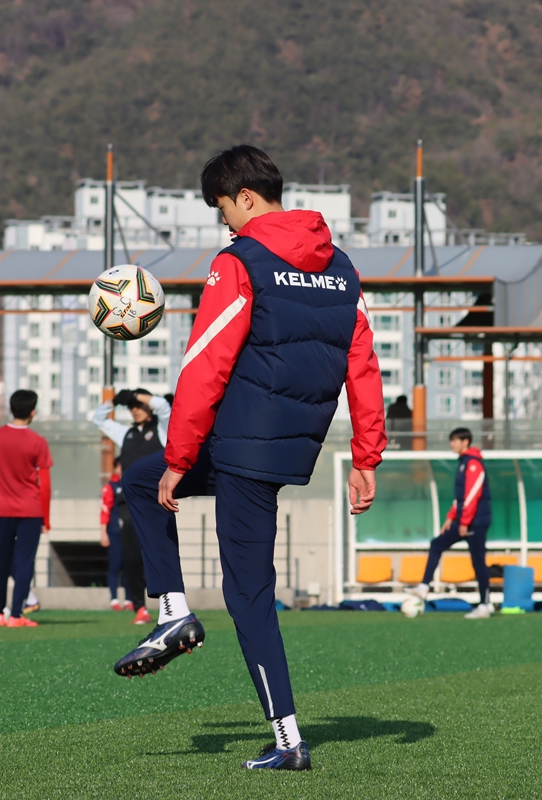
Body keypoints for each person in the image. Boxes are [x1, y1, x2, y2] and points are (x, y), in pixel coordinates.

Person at [115, 145, 386, 770]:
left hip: (241, 445)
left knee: (248, 595)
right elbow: (363, 364)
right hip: (287, 445)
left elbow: (205, 363)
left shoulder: (239, 260)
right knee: (140, 481)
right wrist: (366, 456)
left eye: (222, 209)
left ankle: (289, 742)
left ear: (244, 197)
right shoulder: (340, 267)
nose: (224, 223)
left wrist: (180, 455)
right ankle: (174, 613)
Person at [91, 388, 171, 624]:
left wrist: (137, 395)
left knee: (161, 556)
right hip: (128, 505)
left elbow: (164, 407)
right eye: (131, 407)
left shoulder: (162, 429)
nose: (135, 410)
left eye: (138, 406)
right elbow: (98, 418)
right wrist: (115, 401)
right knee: (132, 558)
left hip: (157, 502)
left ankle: (170, 608)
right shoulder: (126, 433)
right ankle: (140, 607)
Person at [408, 428, 493, 619]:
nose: (452, 444)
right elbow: (461, 497)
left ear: (465, 442)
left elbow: (472, 495)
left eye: (455, 440)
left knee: (479, 563)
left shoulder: (473, 463)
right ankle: (424, 587)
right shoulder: (463, 463)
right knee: (437, 544)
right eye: (451, 440)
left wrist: (464, 522)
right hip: (465, 520)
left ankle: (484, 605)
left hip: (475, 522)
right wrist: (450, 517)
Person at [0, 389, 52, 628]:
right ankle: (16, 615)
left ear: (11, 409)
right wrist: (46, 518)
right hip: (30, 511)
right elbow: (45, 485)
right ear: (33, 412)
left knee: (0, 561)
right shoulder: (37, 441)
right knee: (24, 562)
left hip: (1, 510)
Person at [100, 463, 132, 611]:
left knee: (129, 566)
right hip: (114, 532)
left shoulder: (130, 483)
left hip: (129, 532)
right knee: (115, 565)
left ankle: (129, 599)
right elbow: (105, 510)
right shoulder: (110, 487)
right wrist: (103, 532)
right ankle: (114, 599)